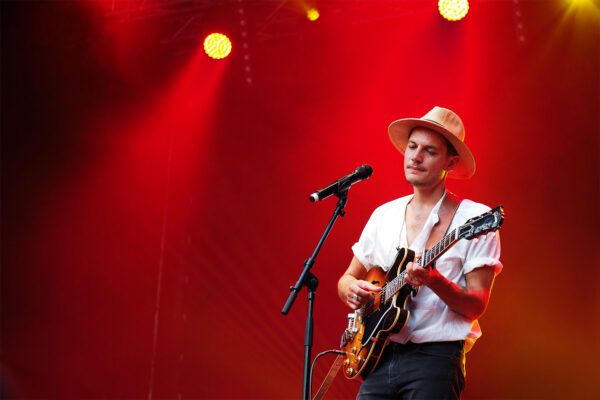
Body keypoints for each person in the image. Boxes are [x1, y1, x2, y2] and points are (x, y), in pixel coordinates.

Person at [337, 106, 502, 399]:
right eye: (412, 147)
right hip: (379, 355)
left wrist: (434, 280)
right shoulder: (383, 215)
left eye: (429, 151)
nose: (415, 156)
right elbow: (347, 278)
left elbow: (476, 305)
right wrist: (352, 289)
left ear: (450, 163)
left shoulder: (475, 219)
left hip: (435, 360)